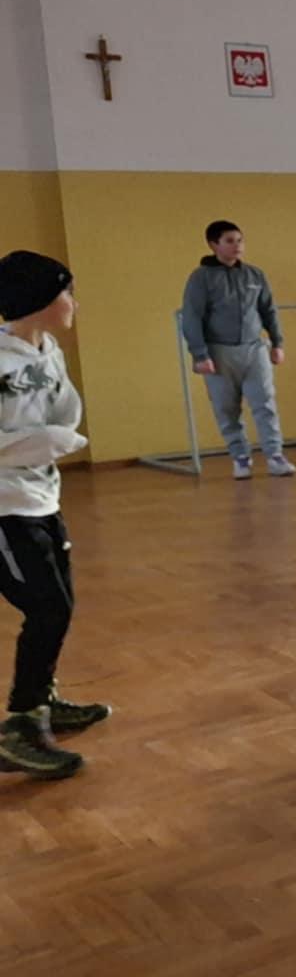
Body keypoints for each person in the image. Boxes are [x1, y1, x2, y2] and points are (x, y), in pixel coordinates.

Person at [0, 251, 108, 780]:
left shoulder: (49, 351)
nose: (73, 303)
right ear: (39, 299)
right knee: (47, 607)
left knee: (59, 605)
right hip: (4, 508)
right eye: (67, 292)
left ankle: (42, 699)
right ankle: (20, 727)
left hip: (43, 497)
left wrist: (52, 436)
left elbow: (65, 414)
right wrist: (33, 442)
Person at [181, 220, 294, 479]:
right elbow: (192, 317)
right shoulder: (201, 278)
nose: (237, 246)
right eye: (230, 241)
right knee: (227, 408)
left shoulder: (255, 275)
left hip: (254, 348)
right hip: (219, 352)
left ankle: (275, 455)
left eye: (240, 240)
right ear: (214, 245)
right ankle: (240, 457)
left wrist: (277, 343)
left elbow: (268, 310)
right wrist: (200, 354)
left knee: (265, 402)